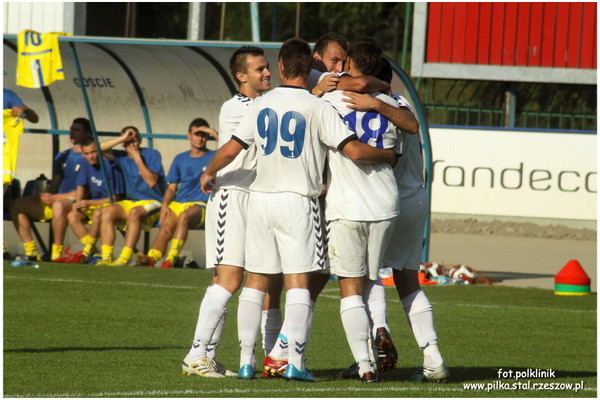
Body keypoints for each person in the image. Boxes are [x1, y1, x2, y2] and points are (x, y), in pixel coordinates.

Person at [200, 38, 395, 382]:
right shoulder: (317, 106)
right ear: (310, 68)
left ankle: (246, 362)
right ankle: (295, 363)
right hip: (298, 202)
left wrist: (208, 171)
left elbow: (231, 148)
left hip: (260, 200)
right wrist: (388, 155)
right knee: (299, 285)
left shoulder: (260, 104)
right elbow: (352, 150)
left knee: (255, 284)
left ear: (279, 67)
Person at [345, 58, 449, 382]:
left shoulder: (363, 105)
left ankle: (375, 340)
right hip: (415, 198)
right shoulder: (402, 103)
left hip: (384, 201)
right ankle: (432, 357)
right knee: (407, 281)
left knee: (366, 275)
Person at [181, 46, 277, 379]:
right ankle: (196, 353)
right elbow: (235, 147)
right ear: (241, 76)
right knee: (230, 279)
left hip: (254, 198)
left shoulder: (264, 103)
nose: (267, 73)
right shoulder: (237, 107)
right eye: (260, 69)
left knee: (233, 279)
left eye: (267, 67)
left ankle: (208, 355)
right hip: (232, 196)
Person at [320, 40, 401, 383]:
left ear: (350, 63)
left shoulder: (330, 100)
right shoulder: (391, 102)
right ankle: (380, 326)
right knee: (373, 277)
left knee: (350, 288)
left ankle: (365, 365)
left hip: (348, 206)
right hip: (385, 204)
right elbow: (402, 140)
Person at [135, 118, 216, 269]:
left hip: (200, 205)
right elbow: (171, 187)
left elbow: (227, 146)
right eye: (197, 134)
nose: (200, 138)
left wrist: (211, 131)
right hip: (179, 203)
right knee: (165, 227)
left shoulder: (214, 156)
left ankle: (170, 259)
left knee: (184, 216)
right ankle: (151, 258)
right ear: (189, 135)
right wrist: (165, 205)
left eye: (204, 135)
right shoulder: (180, 158)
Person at [9, 118, 91, 261]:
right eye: (72, 129)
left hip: (75, 201)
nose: (72, 132)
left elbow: (86, 192)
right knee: (16, 205)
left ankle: (56, 251)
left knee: (58, 205)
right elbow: (55, 184)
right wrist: (44, 192)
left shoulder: (90, 156)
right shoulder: (62, 155)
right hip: (58, 199)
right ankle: (31, 252)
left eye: (77, 130)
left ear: (87, 134)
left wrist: (55, 198)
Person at [96, 126, 166, 266]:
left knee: (135, 213)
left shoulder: (151, 154)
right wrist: (122, 138)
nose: (133, 143)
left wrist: (137, 158)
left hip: (154, 201)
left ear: (140, 140)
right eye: (129, 140)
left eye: (135, 139)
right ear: (123, 143)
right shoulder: (121, 157)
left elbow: (151, 182)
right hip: (132, 201)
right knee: (107, 211)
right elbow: (98, 148)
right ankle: (106, 257)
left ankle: (124, 258)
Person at [66, 137, 125, 252]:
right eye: (86, 153)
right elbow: (80, 185)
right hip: (94, 204)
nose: (90, 156)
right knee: (72, 216)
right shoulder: (85, 163)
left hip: (110, 205)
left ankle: (89, 250)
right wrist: (77, 203)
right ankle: (93, 252)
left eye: (93, 152)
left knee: (98, 214)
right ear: (83, 154)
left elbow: (115, 198)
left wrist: (90, 203)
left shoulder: (110, 165)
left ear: (99, 150)